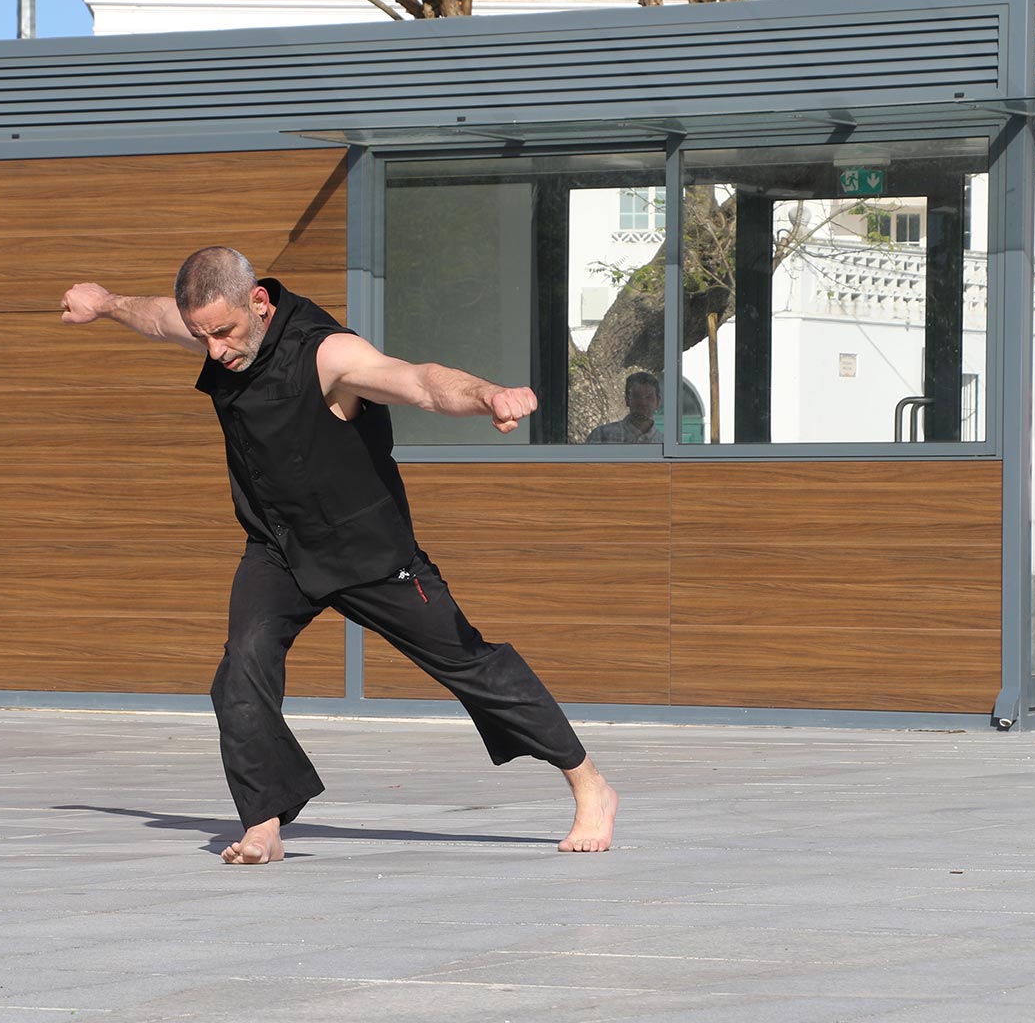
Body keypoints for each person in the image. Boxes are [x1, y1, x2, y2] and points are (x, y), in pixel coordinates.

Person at [61, 246, 618, 865]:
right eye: (202, 336)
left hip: (368, 551)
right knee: (242, 669)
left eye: (222, 333)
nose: (214, 350)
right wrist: (105, 303)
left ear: (259, 303)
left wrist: (488, 395)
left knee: (470, 662)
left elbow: (419, 382)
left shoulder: (327, 354)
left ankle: (589, 783)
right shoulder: (216, 329)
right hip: (279, 548)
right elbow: (157, 315)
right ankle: (264, 822)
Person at [587, 371, 665, 444]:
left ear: (658, 401)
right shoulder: (602, 435)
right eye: (636, 396)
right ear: (627, 400)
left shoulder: (664, 443)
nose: (643, 402)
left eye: (649, 397)